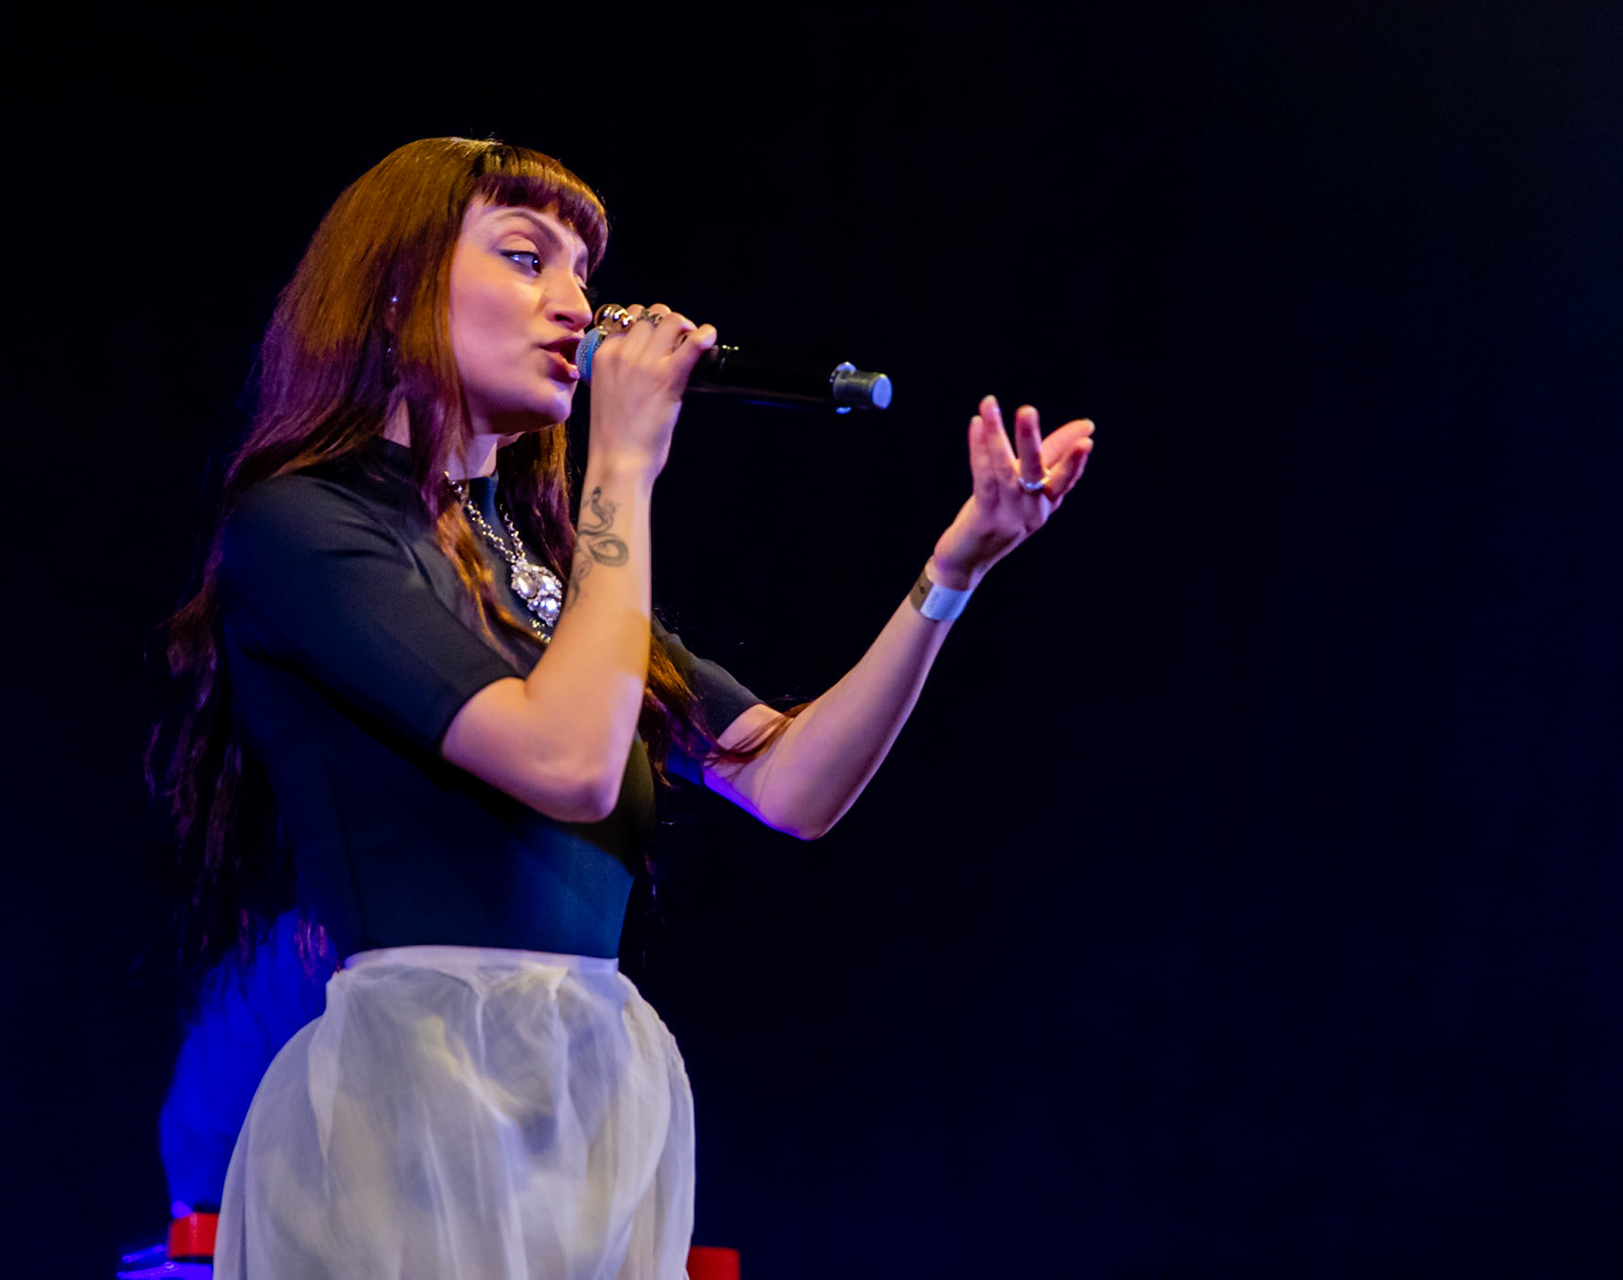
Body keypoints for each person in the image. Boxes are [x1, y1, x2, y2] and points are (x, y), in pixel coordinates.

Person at [152, 135, 1094, 1280]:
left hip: (587, 1076)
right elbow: (566, 759)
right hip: (419, 1079)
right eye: (525, 257)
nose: (577, 304)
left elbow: (791, 782)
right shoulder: (304, 523)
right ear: (395, 287)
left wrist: (954, 573)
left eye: (584, 275)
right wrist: (622, 468)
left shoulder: (543, 570)